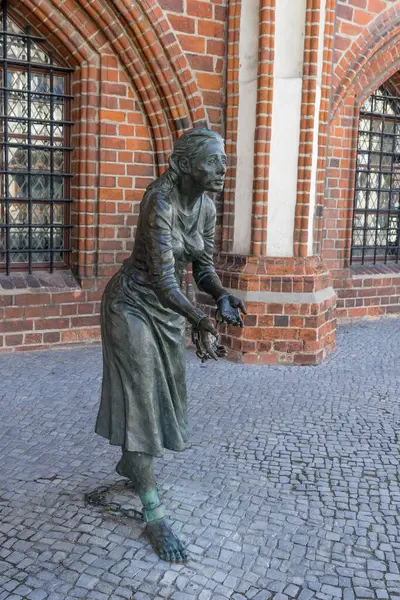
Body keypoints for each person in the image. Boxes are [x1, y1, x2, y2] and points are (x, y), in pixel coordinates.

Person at [95, 128, 246, 561]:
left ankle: (132, 462)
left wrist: (218, 296)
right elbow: (163, 279)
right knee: (142, 399)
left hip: (168, 311)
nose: (222, 168)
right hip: (131, 306)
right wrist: (199, 319)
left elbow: (202, 268)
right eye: (212, 160)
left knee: (166, 400)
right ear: (183, 164)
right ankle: (153, 511)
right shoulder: (158, 200)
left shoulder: (208, 207)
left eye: (223, 160)